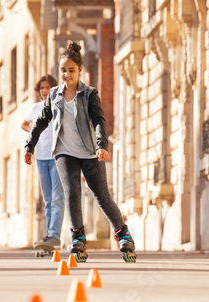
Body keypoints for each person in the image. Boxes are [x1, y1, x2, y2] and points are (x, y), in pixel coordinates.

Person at [23, 41, 136, 262]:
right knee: (72, 193)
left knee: (101, 195)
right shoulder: (54, 95)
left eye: (71, 70)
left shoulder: (89, 94)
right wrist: (30, 145)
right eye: (63, 70)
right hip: (64, 153)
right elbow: (40, 122)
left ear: (80, 70)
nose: (67, 75)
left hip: (90, 152)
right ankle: (78, 238)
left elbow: (99, 121)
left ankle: (123, 234)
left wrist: (102, 145)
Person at [22, 74, 64, 249]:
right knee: (47, 201)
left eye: (48, 87)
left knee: (57, 199)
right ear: (38, 91)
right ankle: (49, 239)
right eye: (42, 88)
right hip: (41, 158)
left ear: (53, 88)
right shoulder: (36, 108)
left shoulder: (60, 106)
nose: (45, 91)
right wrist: (34, 131)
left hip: (58, 157)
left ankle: (54, 236)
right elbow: (24, 124)